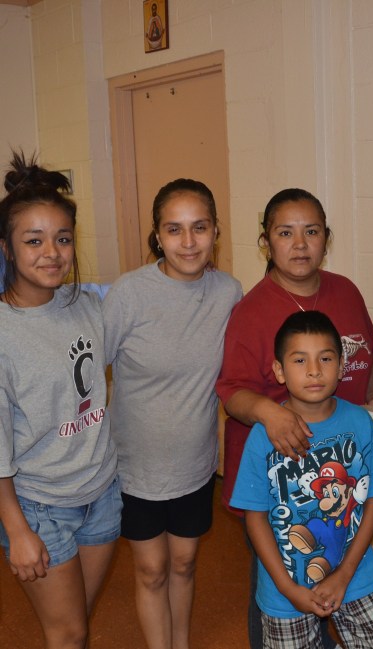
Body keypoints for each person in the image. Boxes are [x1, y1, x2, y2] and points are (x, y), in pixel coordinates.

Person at [216, 187, 373, 648]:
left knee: (341, 560)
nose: (299, 244)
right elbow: (231, 390)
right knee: (280, 583)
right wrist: (268, 413)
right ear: (266, 243)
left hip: (346, 455)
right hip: (283, 471)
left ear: (326, 238)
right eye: (285, 233)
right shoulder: (252, 311)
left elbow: (367, 354)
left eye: (311, 231)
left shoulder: (346, 291)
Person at [103, 178, 242, 649]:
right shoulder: (129, 293)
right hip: (135, 466)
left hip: (195, 465)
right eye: (174, 229)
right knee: (152, 567)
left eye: (199, 228)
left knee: (184, 563)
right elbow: (83, 368)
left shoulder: (228, 292)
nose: (188, 242)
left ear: (215, 232)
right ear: (157, 236)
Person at [230, 310, 373, 649]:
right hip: (286, 589)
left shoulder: (358, 422)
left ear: (341, 367)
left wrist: (344, 574)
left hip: (354, 573)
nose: (313, 370)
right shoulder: (262, 436)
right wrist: (287, 588)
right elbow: (256, 519)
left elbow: (372, 500)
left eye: (325, 358)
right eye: (299, 360)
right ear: (279, 370)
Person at [0, 152, 120, 649]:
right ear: (6, 248)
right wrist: (17, 529)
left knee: (76, 627)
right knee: (68, 633)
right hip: (38, 505)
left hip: (102, 492)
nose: (51, 252)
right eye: (34, 240)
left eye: (63, 238)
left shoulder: (87, 304)